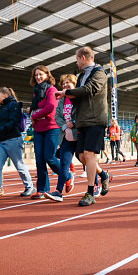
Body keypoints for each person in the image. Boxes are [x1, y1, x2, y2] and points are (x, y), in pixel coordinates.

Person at [55, 46, 112, 206]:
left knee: (88, 154)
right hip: (82, 121)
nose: (77, 62)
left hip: (95, 120)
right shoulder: (80, 76)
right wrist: (67, 95)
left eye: (77, 59)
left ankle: (90, 192)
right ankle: (104, 175)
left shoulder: (99, 73)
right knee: (82, 157)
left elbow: (90, 89)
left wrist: (66, 92)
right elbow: (78, 97)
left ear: (83, 58)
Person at [0, 87, 35, 201]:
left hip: (13, 139)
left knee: (19, 166)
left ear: (4, 95)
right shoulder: (2, 107)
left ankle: (30, 187)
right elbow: (2, 125)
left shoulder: (14, 105)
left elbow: (12, 123)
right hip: (1, 140)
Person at [28, 65, 61, 199]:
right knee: (39, 160)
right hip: (38, 129)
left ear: (47, 75)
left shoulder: (51, 89)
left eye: (41, 74)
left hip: (51, 128)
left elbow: (51, 107)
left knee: (49, 157)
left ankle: (67, 176)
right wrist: (31, 112)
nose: (38, 77)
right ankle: (42, 189)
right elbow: (37, 108)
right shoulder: (36, 92)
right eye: (36, 75)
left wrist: (34, 116)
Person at [44, 74, 78, 202]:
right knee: (64, 163)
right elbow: (57, 116)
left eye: (68, 83)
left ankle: (97, 182)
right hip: (65, 135)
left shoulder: (79, 99)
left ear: (74, 85)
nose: (65, 85)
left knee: (86, 159)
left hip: (79, 133)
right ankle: (58, 191)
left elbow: (82, 113)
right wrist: (65, 126)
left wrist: (73, 123)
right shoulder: (61, 101)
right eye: (63, 83)